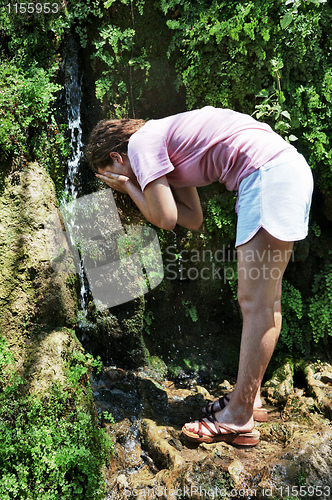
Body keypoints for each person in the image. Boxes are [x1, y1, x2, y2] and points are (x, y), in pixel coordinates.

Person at [85, 106, 313, 447]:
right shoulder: (164, 144)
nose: (116, 183)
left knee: (255, 302)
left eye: (111, 174)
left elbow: (163, 218)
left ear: (117, 157)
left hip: (267, 177)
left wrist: (130, 187)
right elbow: (190, 218)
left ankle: (238, 416)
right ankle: (247, 399)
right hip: (284, 171)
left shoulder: (141, 145)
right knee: (266, 301)